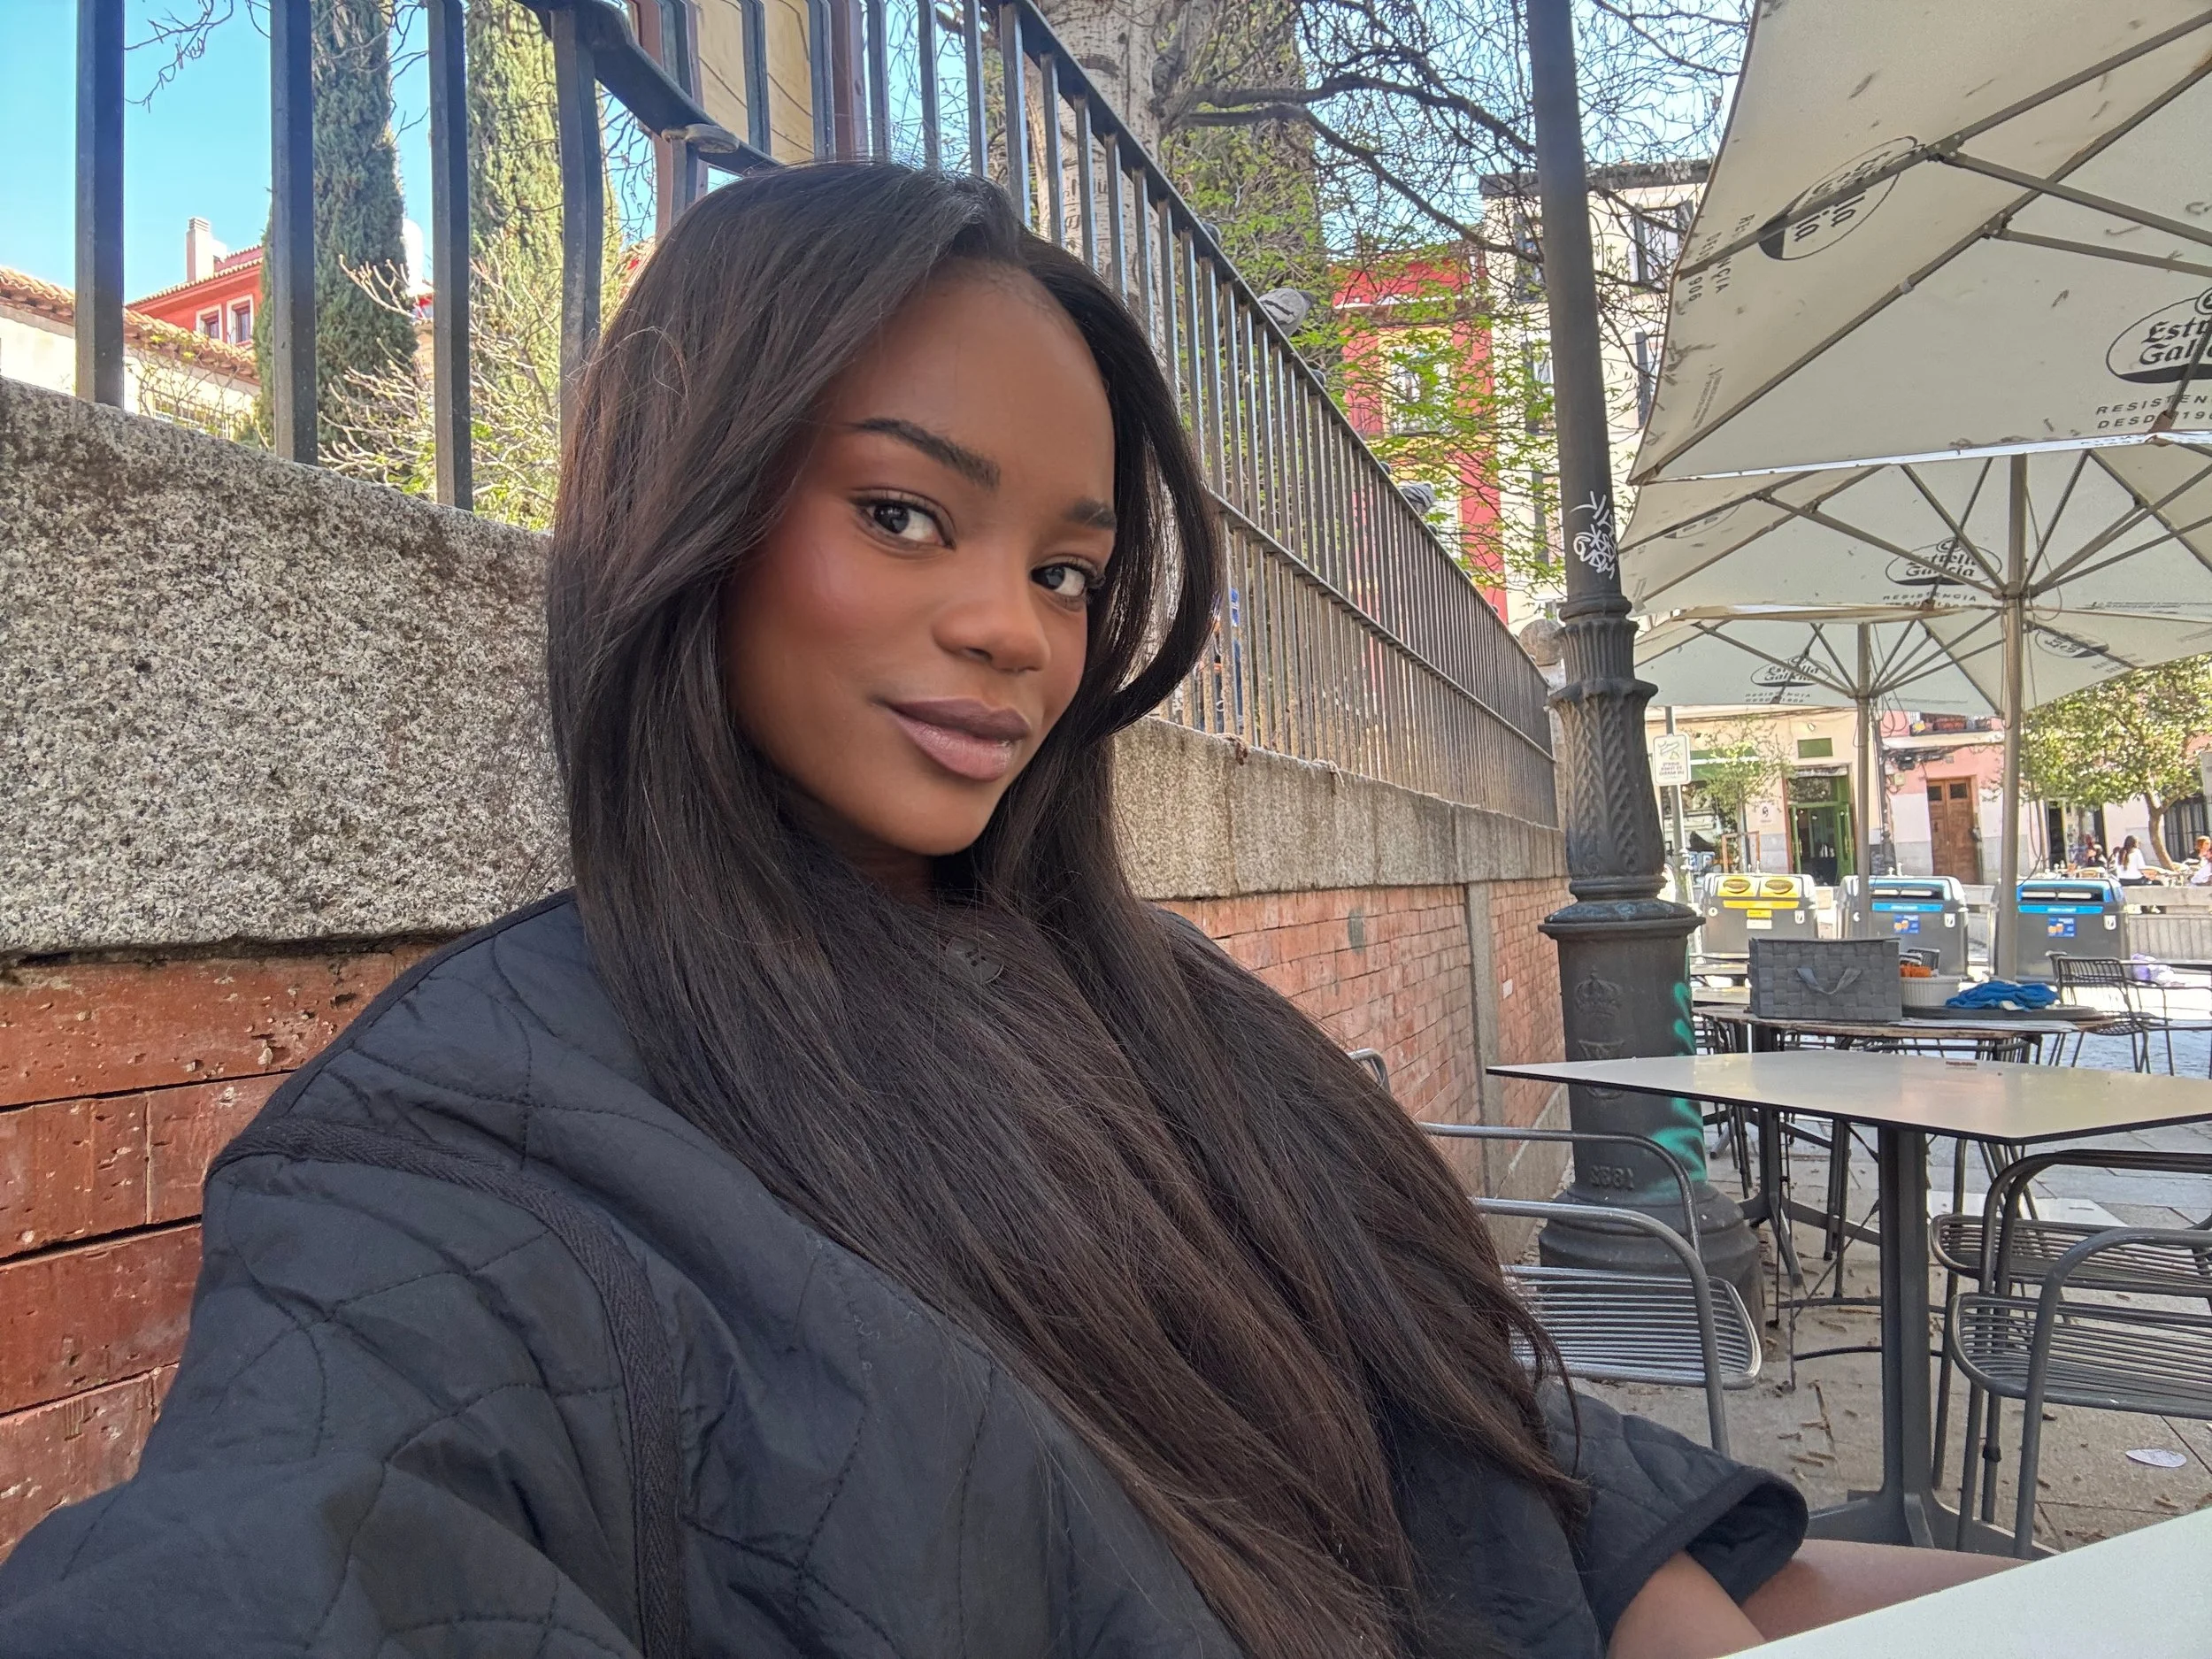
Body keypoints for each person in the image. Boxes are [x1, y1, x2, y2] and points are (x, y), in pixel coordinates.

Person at [0, 164, 2008, 1659]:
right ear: (679, 510)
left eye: (1065, 566)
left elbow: (1463, 1445)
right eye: (900, 512)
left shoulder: (1171, 1006)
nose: (1008, 629)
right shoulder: (449, 1148)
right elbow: (297, 1543)